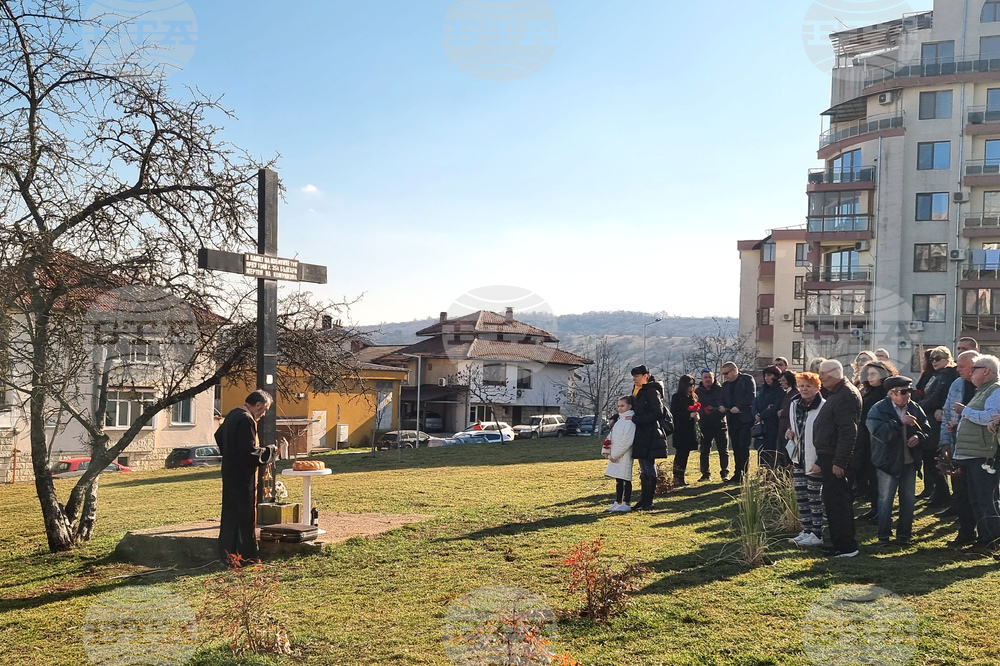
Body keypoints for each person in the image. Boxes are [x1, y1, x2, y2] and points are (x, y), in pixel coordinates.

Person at [867, 376, 930, 548]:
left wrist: (918, 437)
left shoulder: (915, 408)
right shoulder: (878, 409)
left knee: (908, 501)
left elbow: (926, 430)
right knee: (885, 500)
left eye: (909, 391)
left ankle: (904, 536)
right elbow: (878, 433)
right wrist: (899, 422)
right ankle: (883, 537)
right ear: (891, 394)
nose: (907, 395)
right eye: (903, 392)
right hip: (887, 463)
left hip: (909, 463)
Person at [217, 389, 276, 565]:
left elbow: (218, 436)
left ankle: (228, 556)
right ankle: (247, 557)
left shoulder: (233, 414)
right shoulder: (246, 419)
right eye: (264, 409)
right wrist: (271, 451)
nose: (264, 414)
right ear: (257, 405)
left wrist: (230, 452)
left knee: (230, 515)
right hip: (243, 476)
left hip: (229, 471)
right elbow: (250, 453)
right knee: (245, 516)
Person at [814, 360, 862, 558]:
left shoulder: (846, 396)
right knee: (832, 502)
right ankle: (838, 542)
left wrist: (840, 462)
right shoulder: (837, 393)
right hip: (829, 455)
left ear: (835, 373)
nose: (820, 378)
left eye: (823, 374)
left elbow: (848, 431)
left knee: (839, 502)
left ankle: (847, 546)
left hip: (836, 458)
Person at [953, 355, 1000, 555]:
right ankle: (983, 538)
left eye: (974, 369)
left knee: (986, 498)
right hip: (973, 452)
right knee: (975, 498)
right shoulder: (982, 391)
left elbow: (991, 417)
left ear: (986, 371)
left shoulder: (995, 390)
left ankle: (992, 540)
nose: (970, 373)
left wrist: (965, 412)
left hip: (984, 453)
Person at [940, 350, 978, 534]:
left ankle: (987, 535)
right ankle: (966, 531)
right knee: (961, 491)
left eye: (963, 366)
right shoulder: (957, 384)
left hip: (981, 450)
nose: (958, 370)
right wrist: (945, 442)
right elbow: (947, 413)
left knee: (981, 494)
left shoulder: (991, 388)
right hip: (958, 446)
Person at [786, 372, 825, 547]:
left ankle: (817, 533)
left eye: (808, 386)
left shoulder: (823, 406)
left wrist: (821, 460)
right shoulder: (794, 404)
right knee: (801, 494)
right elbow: (796, 425)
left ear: (817, 388)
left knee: (814, 495)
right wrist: (789, 431)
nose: (804, 389)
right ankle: (806, 530)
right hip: (798, 456)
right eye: (801, 385)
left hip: (814, 457)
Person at [855, 362, 897, 523]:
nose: (870, 378)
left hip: (880, 440)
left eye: (874, 374)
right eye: (868, 375)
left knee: (881, 478)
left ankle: (883, 512)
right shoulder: (868, 391)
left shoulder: (885, 394)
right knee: (870, 475)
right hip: (866, 439)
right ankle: (874, 508)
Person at [917, 346, 958, 508]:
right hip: (930, 417)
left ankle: (944, 495)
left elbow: (938, 397)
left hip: (938, 420)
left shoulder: (948, 375)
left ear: (948, 358)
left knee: (936, 458)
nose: (934, 361)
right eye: (932, 358)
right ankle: (940, 493)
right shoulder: (936, 374)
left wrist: (921, 408)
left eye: (938, 358)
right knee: (930, 458)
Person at [629, 365, 669, 511]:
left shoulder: (652, 391)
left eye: (637, 376)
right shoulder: (636, 390)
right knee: (643, 466)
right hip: (640, 433)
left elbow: (658, 412)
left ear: (646, 376)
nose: (634, 379)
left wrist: (639, 420)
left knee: (648, 465)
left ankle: (649, 501)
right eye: (633, 376)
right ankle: (643, 499)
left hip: (650, 433)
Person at [719, 362, 756, 484]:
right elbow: (723, 399)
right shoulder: (725, 386)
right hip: (732, 420)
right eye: (723, 374)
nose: (725, 376)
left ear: (734, 370)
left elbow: (751, 396)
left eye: (727, 373)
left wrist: (739, 407)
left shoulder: (746, 380)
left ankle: (744, 474)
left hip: (744, 419)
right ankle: (737, 473)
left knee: (743, 447)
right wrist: (723, 407)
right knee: (735, 447)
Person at [696, 369, 730, 482]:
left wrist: (716, 411)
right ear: (702, 379)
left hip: (720, 423)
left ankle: (725, 473)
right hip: (705, 425)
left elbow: (726, 405)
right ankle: (705, 474)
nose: (707, 379)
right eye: (705, 377)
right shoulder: (697, 392)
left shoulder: (721, 390)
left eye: (709, 377)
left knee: (723, 450)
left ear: (714, 378)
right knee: (704, 450)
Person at [604, 396, 636, 513]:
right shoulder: (620, 420)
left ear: (630, 406)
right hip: (615, 454)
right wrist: (606, 449)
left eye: (622, 406)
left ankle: (626, 502)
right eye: (618, 406)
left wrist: (615, 455)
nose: (619, 408)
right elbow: (611, 436)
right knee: (618, 479)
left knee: (626, 478)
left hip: (624, 455)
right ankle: (618, 501)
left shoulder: (630, 421)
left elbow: (627, 441)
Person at [670, 375, 701, 486]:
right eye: (690, 384)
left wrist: (696, 416)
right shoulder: (677, 397)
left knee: (685, 454)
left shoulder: (693, 397)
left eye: (693, 384)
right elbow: (674, 413)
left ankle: (681, 477)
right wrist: (689, 415)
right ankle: (677, 477)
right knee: (680, 454)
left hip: (690, 429)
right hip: (680, 429)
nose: (692, 387)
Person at [752, 365, 784, 469]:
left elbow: (775, 406)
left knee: (771, 450)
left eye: (769, 375)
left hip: (772, 425)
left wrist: (762, 415)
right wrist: (755, 413)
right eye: (765, 375)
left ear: (775, 376)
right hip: (761, 425)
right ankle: (763, 471)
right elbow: (755, 402)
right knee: (761, 449)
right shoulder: (764, 389)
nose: (766, 378)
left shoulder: (779, 389)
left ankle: (772, 472)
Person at [776, 370, 799, 467]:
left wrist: (783, 412)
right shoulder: (785, 393)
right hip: (782, 427)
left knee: (788, 454)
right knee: (781, 452)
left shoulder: (795, 393)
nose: (781, 382)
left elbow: (793, 409)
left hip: (789, 427)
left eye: (783, 380)